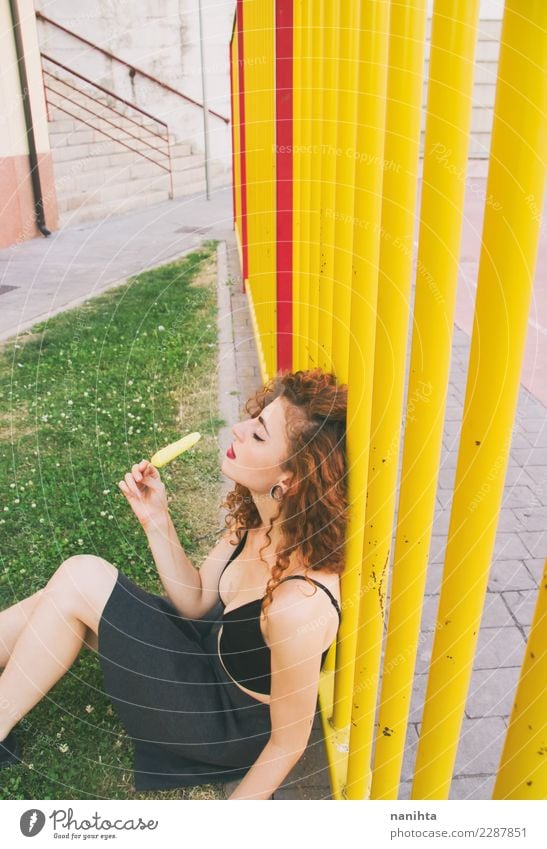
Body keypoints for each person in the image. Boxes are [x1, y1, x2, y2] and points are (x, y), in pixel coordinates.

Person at [0, 367, 348, 799]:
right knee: (68, 590)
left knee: (80, 577)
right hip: (203, 658)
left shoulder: (300, 603)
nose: (238, 429)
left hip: (221, 726)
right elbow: (196, 604)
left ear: (291, 479)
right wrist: (156, 518)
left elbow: (287, 743)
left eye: (259, 435)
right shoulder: (260, 519)